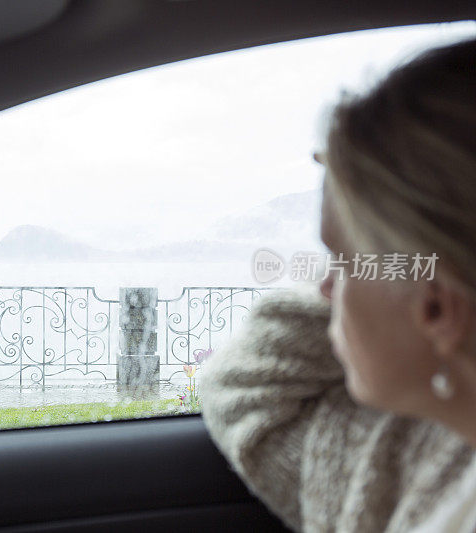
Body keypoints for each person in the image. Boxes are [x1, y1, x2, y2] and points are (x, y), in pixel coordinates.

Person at [199, 37, 476, 532]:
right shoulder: (430, 445)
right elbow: (246, 389)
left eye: (341, 261)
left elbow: (246, 392)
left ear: (435, 309)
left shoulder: (425, 451)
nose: (323, 289)